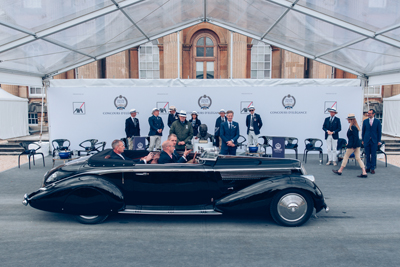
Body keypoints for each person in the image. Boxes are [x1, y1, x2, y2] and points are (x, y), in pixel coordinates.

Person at [362, 109, 382, 174]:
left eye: (370, 113)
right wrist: (363, 140)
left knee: (373, 155)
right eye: (368, 113)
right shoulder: (365, 121)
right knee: (367, 154)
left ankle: (373, 168)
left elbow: (379, 132)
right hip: (367, 140)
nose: (368, 114)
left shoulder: (377, 121)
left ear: (373, 114)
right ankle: (368, 167)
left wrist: (379, 140)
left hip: (374, 140)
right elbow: (363, 131)